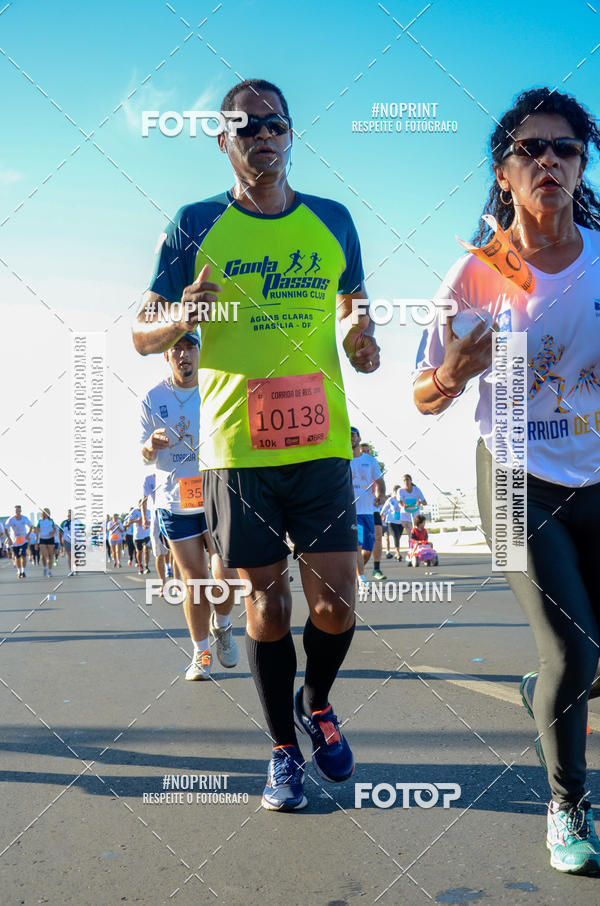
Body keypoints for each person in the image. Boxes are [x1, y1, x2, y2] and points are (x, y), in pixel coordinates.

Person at [133, 77, 380, 811]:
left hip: (320, 444)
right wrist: (180, 315)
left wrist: (362, 339)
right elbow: (141, 330)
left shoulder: (331, 220)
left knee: (336, 601)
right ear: (224, 142)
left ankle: (319, 700)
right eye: (245, 127)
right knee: (267, 610)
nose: (262, 136)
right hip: (238, 453)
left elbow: (356, 305)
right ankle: (281, 753)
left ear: (290, 133)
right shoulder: (192, 224)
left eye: (275, 124)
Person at [414, 87, 600, 874]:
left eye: (565, 148)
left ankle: (547, 689)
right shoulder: (477, 272)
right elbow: (423, 394)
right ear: (504, 173)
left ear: (582, 164)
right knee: (573, 653)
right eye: (531, 150)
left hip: (595, 472)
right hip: (516, 474)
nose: (549, 161)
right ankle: (566, 809)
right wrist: (455, 368)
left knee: (590, 660)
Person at [139, 330, 239, 679]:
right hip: (174, 500)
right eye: (176, 348)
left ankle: (222, 624)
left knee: (224, 574)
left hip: (215, 492)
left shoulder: (215, 387)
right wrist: (151, 444)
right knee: (195, 582)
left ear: (200, 351)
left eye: (190, 346)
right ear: (166, 356)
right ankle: (202, 655)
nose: (184, 354)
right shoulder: (153, 398)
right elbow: (143, 453)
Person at [350, 427, 386, 585]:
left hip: (368, 511)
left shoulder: (370, 461)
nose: (350, 438)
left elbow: (380, 482)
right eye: (347, 436)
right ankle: (361, 578)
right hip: (351, 511)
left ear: (358, 438)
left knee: (368, 548)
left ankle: (354, 572)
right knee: (356, 545)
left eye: (353, 435)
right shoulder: (342, 460)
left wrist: (380, 494)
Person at [5, 505, 32, 578]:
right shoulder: (11, 519)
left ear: (21, 511)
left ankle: (23, 571)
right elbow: (6, 529)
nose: (17, 512)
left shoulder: (24, 518)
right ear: (14, 511)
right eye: (16, 511)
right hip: (14, 540)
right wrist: (9, 539)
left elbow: (31, 526)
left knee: (23, 555)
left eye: (18, 511)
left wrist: (28, 535)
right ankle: (19, 571)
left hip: (23, 540)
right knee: (17, 556)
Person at [123, 503, 151, 574]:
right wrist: (137, 520)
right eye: (142, 505)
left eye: (145, 505)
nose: (144, 507)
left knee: (146, 550)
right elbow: (128, 522)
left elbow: (151, 521)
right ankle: (140, 566)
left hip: (147, 534)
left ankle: (146, 566)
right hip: (137, 536)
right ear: (139, 505)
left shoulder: (149, 511)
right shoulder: (134, 511)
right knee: (139, 551)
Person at [380, 486, 405, 560]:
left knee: (398, 537)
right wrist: (381, 517)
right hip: (391, 521)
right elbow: (384, 510)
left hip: (401, 521)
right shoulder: (391, 500)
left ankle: (396, 552)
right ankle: (397, 553)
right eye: (396, 492)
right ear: (394, 492)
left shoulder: (402, 500)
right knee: (395, 536)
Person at [36, 508, 57, 578]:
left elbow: (55, 530)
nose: (46, 513)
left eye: (48, 512)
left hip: (50, 539)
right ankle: (45, 567)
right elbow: (37, 532)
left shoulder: (51, 521)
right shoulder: (40, 521)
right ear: (43, 513)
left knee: (50, 556)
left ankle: (50, 571)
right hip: (42, 539)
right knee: (44, 555)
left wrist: (53, 532)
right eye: (45, 512)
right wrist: (36, 542)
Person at [60, 510, 75, 576]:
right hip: (66, 540)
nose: (69, 515)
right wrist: (61, 540)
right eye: (68, 514)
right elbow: (60, 531)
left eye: (71, 514)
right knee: (70, 555)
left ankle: (75, 567)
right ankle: (71, 570)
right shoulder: (64, 522)